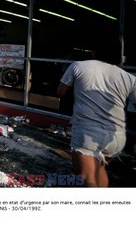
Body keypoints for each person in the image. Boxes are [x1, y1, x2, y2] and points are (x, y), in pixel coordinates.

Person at [57, 41, 136, 187]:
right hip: (116, 137)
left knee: (88, 179)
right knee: (99, 170)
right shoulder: (129, 78)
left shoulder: (78, 66)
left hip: (87, 134)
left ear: (95, 52)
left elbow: (60, 91)